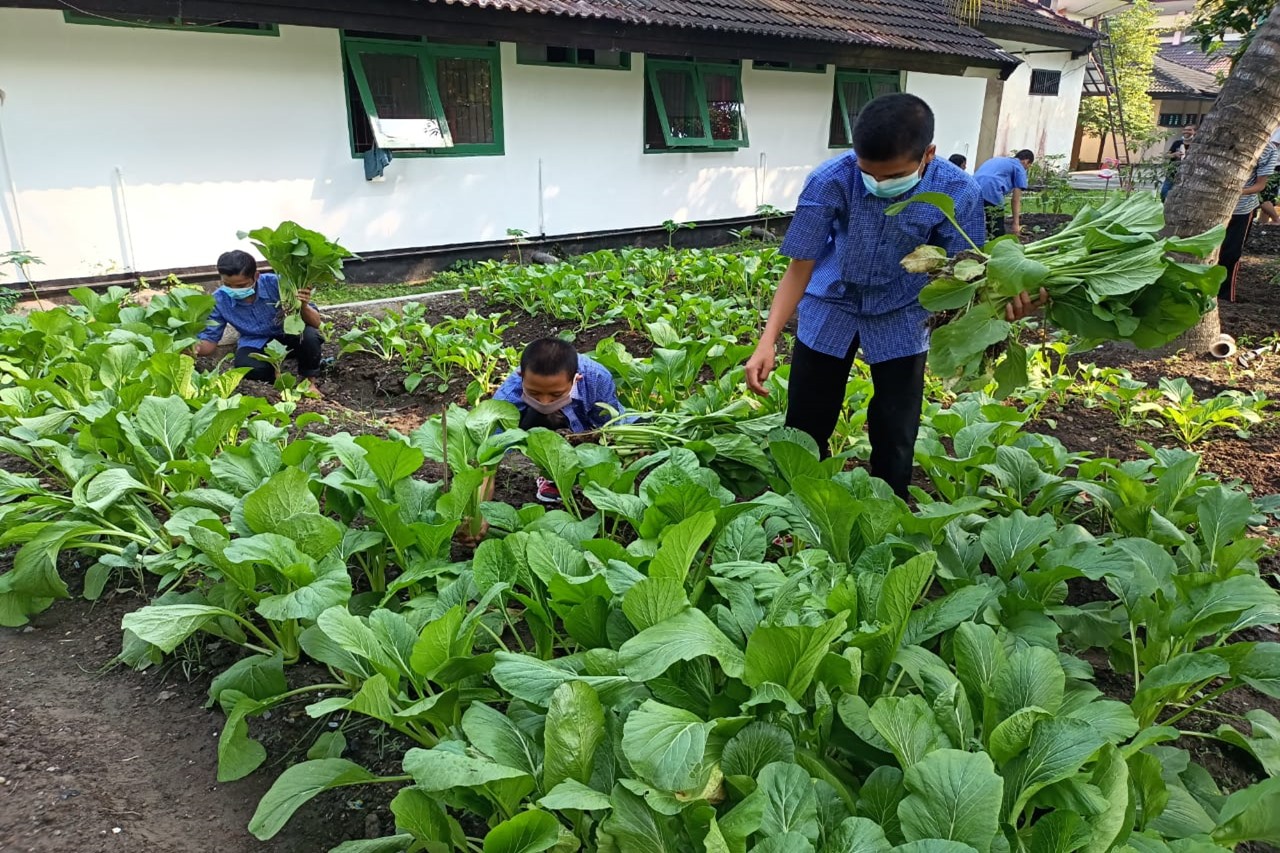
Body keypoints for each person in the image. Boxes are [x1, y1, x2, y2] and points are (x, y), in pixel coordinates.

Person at [743, 93, 1045, 500]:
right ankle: (792, 503)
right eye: (870, 174)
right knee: (806, 416)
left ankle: (890, 511)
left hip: (904, 307)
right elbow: (801, 264)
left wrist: (1001, 305)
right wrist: (767, 340)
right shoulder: (830, 179)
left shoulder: (958, 191)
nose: (880, 184)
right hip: (832, 299)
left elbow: (964, 272)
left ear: (929, 154)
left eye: (894, 175)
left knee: (896, 424)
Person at [494, 337, 624, 502]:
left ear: (576, 378)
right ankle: (551, 474)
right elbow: (493, 446)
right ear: (521, 376)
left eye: (556, 394)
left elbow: (609, 423)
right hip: (540, 424)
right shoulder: (508, 394)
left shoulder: (597, 378)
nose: (545, 401)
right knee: (541, 413)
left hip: (587, 422)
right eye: (534, 393)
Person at [195, 250, 325, 381]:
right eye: (227, 285)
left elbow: (316, 323)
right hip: (255, 341)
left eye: (241, 285)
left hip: (288, 333)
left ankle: (310, 381)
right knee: (247, 367)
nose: (234, 290)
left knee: (310, 336)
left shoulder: (278, 284)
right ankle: (275, 385)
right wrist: (189, 347)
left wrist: (302, 305)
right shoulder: (219, 299)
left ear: (256, 276)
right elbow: (210, 339)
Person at [1218, 140, 1280, 302]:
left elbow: (1260, 186)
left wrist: (1234, 192)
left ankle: (1224, 296)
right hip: (1212, 205)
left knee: (1231, 252)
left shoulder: (1269, 150)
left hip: (1241, 209)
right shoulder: (1221, 139)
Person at [974, 149, 1034, 240]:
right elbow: (1015, 200)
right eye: (1028, 166)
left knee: (973, 221)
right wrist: (1016, 224)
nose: (1026, 169)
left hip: (973, 185)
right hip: (992, 188)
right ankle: (995, 246)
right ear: (1026, 161)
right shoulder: (1019, 167)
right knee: (996, 225)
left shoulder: (997, 160)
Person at [1161, 125, 1196, 202]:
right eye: (1184, 130)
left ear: (1194, 132)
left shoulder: (1196, 145)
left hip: (1188, 174)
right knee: (1164, 192)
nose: (1186, 131)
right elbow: (1166, 155)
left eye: (1189, 130)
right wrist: (1174, 154)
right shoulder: (1177, 143)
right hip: (1173, 173)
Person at [1257, 128, 1280, 225]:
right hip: (1275, 165)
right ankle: (1263, 223)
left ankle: (1276, 219)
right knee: (1268, 196)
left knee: (1261, 196)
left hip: (1273, 165)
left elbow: (1272, 145)